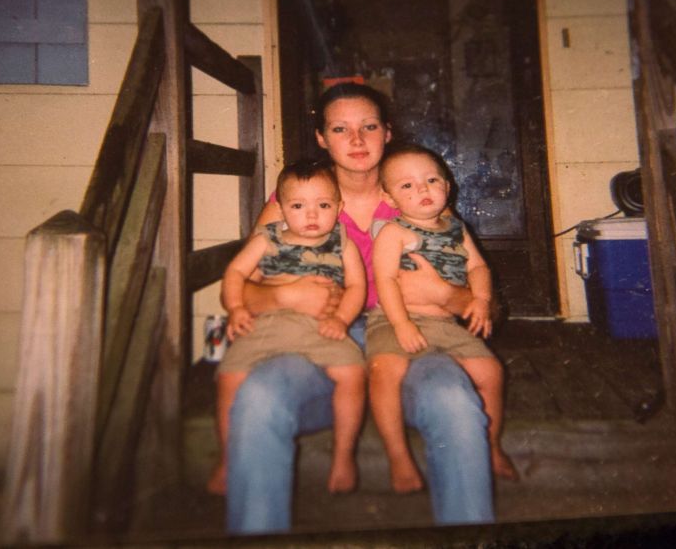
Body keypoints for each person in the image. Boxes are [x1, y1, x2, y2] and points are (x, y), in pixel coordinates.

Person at [225, 82, 495, 534]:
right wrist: (282, 297)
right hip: (318, 342)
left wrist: (447, 295)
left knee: (453, 399)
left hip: (412, 336)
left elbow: (487, 308)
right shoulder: (294, 203)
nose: (356, 140)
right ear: (321, 138)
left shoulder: (422, 197)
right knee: (259, 397)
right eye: (340, 128)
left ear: (387, 133)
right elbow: (243, 289)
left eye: (368, 126)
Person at [207, 160, 367, 496]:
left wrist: (341, 319)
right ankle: (228, 459)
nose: (312, 216)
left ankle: (343, 456)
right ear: (278, 208)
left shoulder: (342, 242)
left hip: (322, 324)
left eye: (323, 205)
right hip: (270, 324)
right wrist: (236, 307)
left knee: (352, 370)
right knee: (230, 376)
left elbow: (356, 287)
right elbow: (235, 273)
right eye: (298, 206)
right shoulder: (267, 239)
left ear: (339, 208)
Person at [368, 143, 516, 493]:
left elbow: (477, 266)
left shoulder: (456, 228)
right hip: (394, 318)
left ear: (447, 187)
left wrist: (480, 299)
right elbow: (385, 280)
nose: (421, 189)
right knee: (386, 370)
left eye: (431, 179)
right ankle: (398, 456)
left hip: (446, 325)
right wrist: (402, 324)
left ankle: (490, 446)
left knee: (491, 371)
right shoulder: (393, 232)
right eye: (406, 185)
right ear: (389, 199)